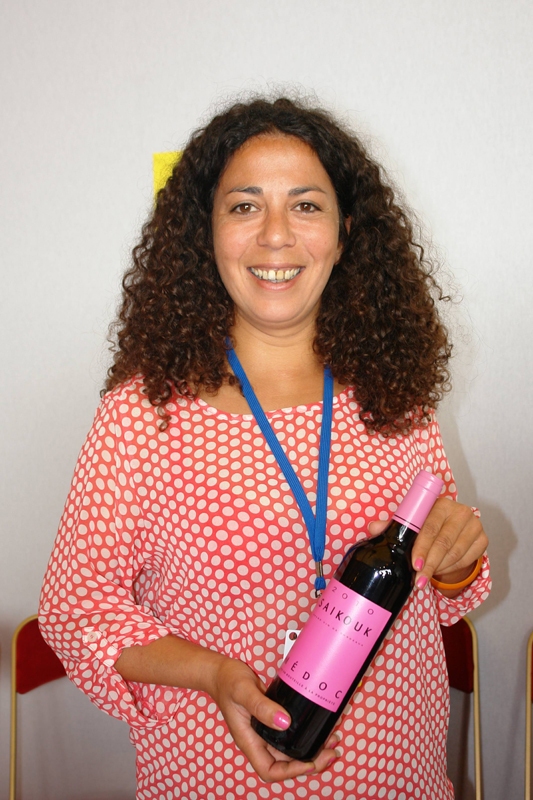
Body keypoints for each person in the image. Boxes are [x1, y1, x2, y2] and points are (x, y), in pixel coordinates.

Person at [39, 96, 490, 800]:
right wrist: (214, 674)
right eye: (245, 206)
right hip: (214, 770)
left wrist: (456, 562)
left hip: (395, 769)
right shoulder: (142, 413)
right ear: (206, 232)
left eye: (305, 206)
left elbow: (437, 588)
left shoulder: (391, 392)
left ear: (344, 233)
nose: (276, 235)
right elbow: (77, 610)